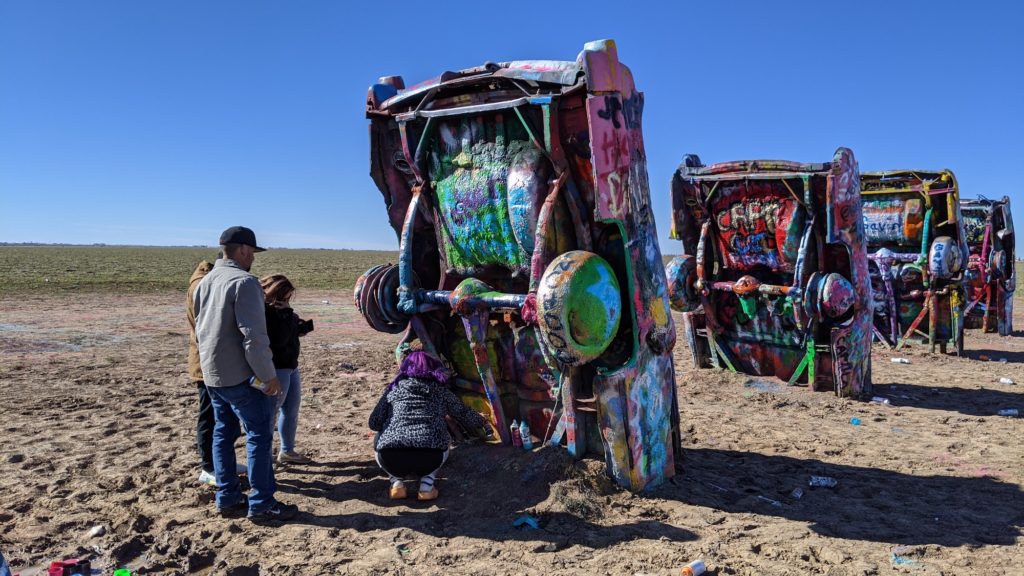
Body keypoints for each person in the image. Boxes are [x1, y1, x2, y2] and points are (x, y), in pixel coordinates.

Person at [193, 226, 298, 523]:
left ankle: (227, 497)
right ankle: (263, 503)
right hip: (242, 376)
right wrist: (268, 377)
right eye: (251, 251)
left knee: (223, 433)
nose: (252, 257)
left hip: (212, 374)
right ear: (241, 250)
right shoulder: (245, 282)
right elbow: (252, 336)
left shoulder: (205, 282)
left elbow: (200, 330)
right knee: (259, 437)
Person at [369, 351, 491, 501]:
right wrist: (482, 422)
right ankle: (426, 488)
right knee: (443, 438)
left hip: (391, 458)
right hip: (430, 457)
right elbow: (462, 413)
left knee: (379, 438)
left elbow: (374, 423)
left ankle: (397, 484)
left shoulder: (393, 390)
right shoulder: (440, 391)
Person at [259, 274, 314, 465]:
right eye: (285, 297)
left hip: (290, 366)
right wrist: (287, 315)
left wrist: (297, 323)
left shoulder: (283, 312)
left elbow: (290, 333)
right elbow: (279, 340)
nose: (287, 301)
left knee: (291, 410)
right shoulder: (265, 312)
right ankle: (264, 456)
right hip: (277, 369)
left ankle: (287, 451)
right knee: (271, 413)